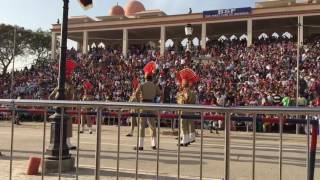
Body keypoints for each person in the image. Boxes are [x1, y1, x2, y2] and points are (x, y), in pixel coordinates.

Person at [48, 59, 77, 150]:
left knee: (65, 125)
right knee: (65, 125)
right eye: (70, 75)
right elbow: (71, 96)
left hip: (62, 107)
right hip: (63, 108)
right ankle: (66, 143)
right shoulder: (67, 85)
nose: (71, 77)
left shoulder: (62, 85)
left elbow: (51, 96)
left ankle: (66, 142)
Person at [133, 61, 162, 151]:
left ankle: (141, 145)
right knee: (152, 125)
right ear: (151, 77)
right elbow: (161, 93)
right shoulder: (154, 85)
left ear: (145, 77)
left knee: (142, 125)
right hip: (152, 104)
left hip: (143, 104)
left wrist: (138, 101)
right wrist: (159, 102)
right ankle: (154, 144)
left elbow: (136, 93)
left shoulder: (142, 84)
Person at [176, 68, 198, 146]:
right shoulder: (193, 93)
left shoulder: (183, 93)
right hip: (190, 111)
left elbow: (182, 101)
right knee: (188, 125)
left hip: (184, 111)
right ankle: (187, 139)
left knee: (183, 125)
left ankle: (184, 140)